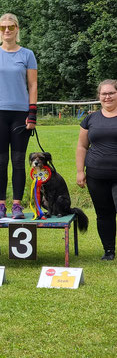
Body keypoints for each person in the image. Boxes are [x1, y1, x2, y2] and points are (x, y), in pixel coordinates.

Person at [0, 13, 38, 219]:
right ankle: (0, 205)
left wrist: (32, 114)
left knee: (19, 161)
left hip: (21, 114)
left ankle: (17, 205)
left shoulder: (27, 54)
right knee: (0, 162)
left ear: (17, 29)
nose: (7, 30)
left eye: (11, 27)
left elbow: (32, 85)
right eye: (3, 27)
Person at [76, 79, 117, 260]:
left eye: (111, 93)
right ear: (99, 96)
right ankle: (109, 251)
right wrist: (80, 171)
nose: (107, 96)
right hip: (95, 175)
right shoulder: (90, 119)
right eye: (104, 94)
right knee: (104, 214)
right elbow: (82, 146)